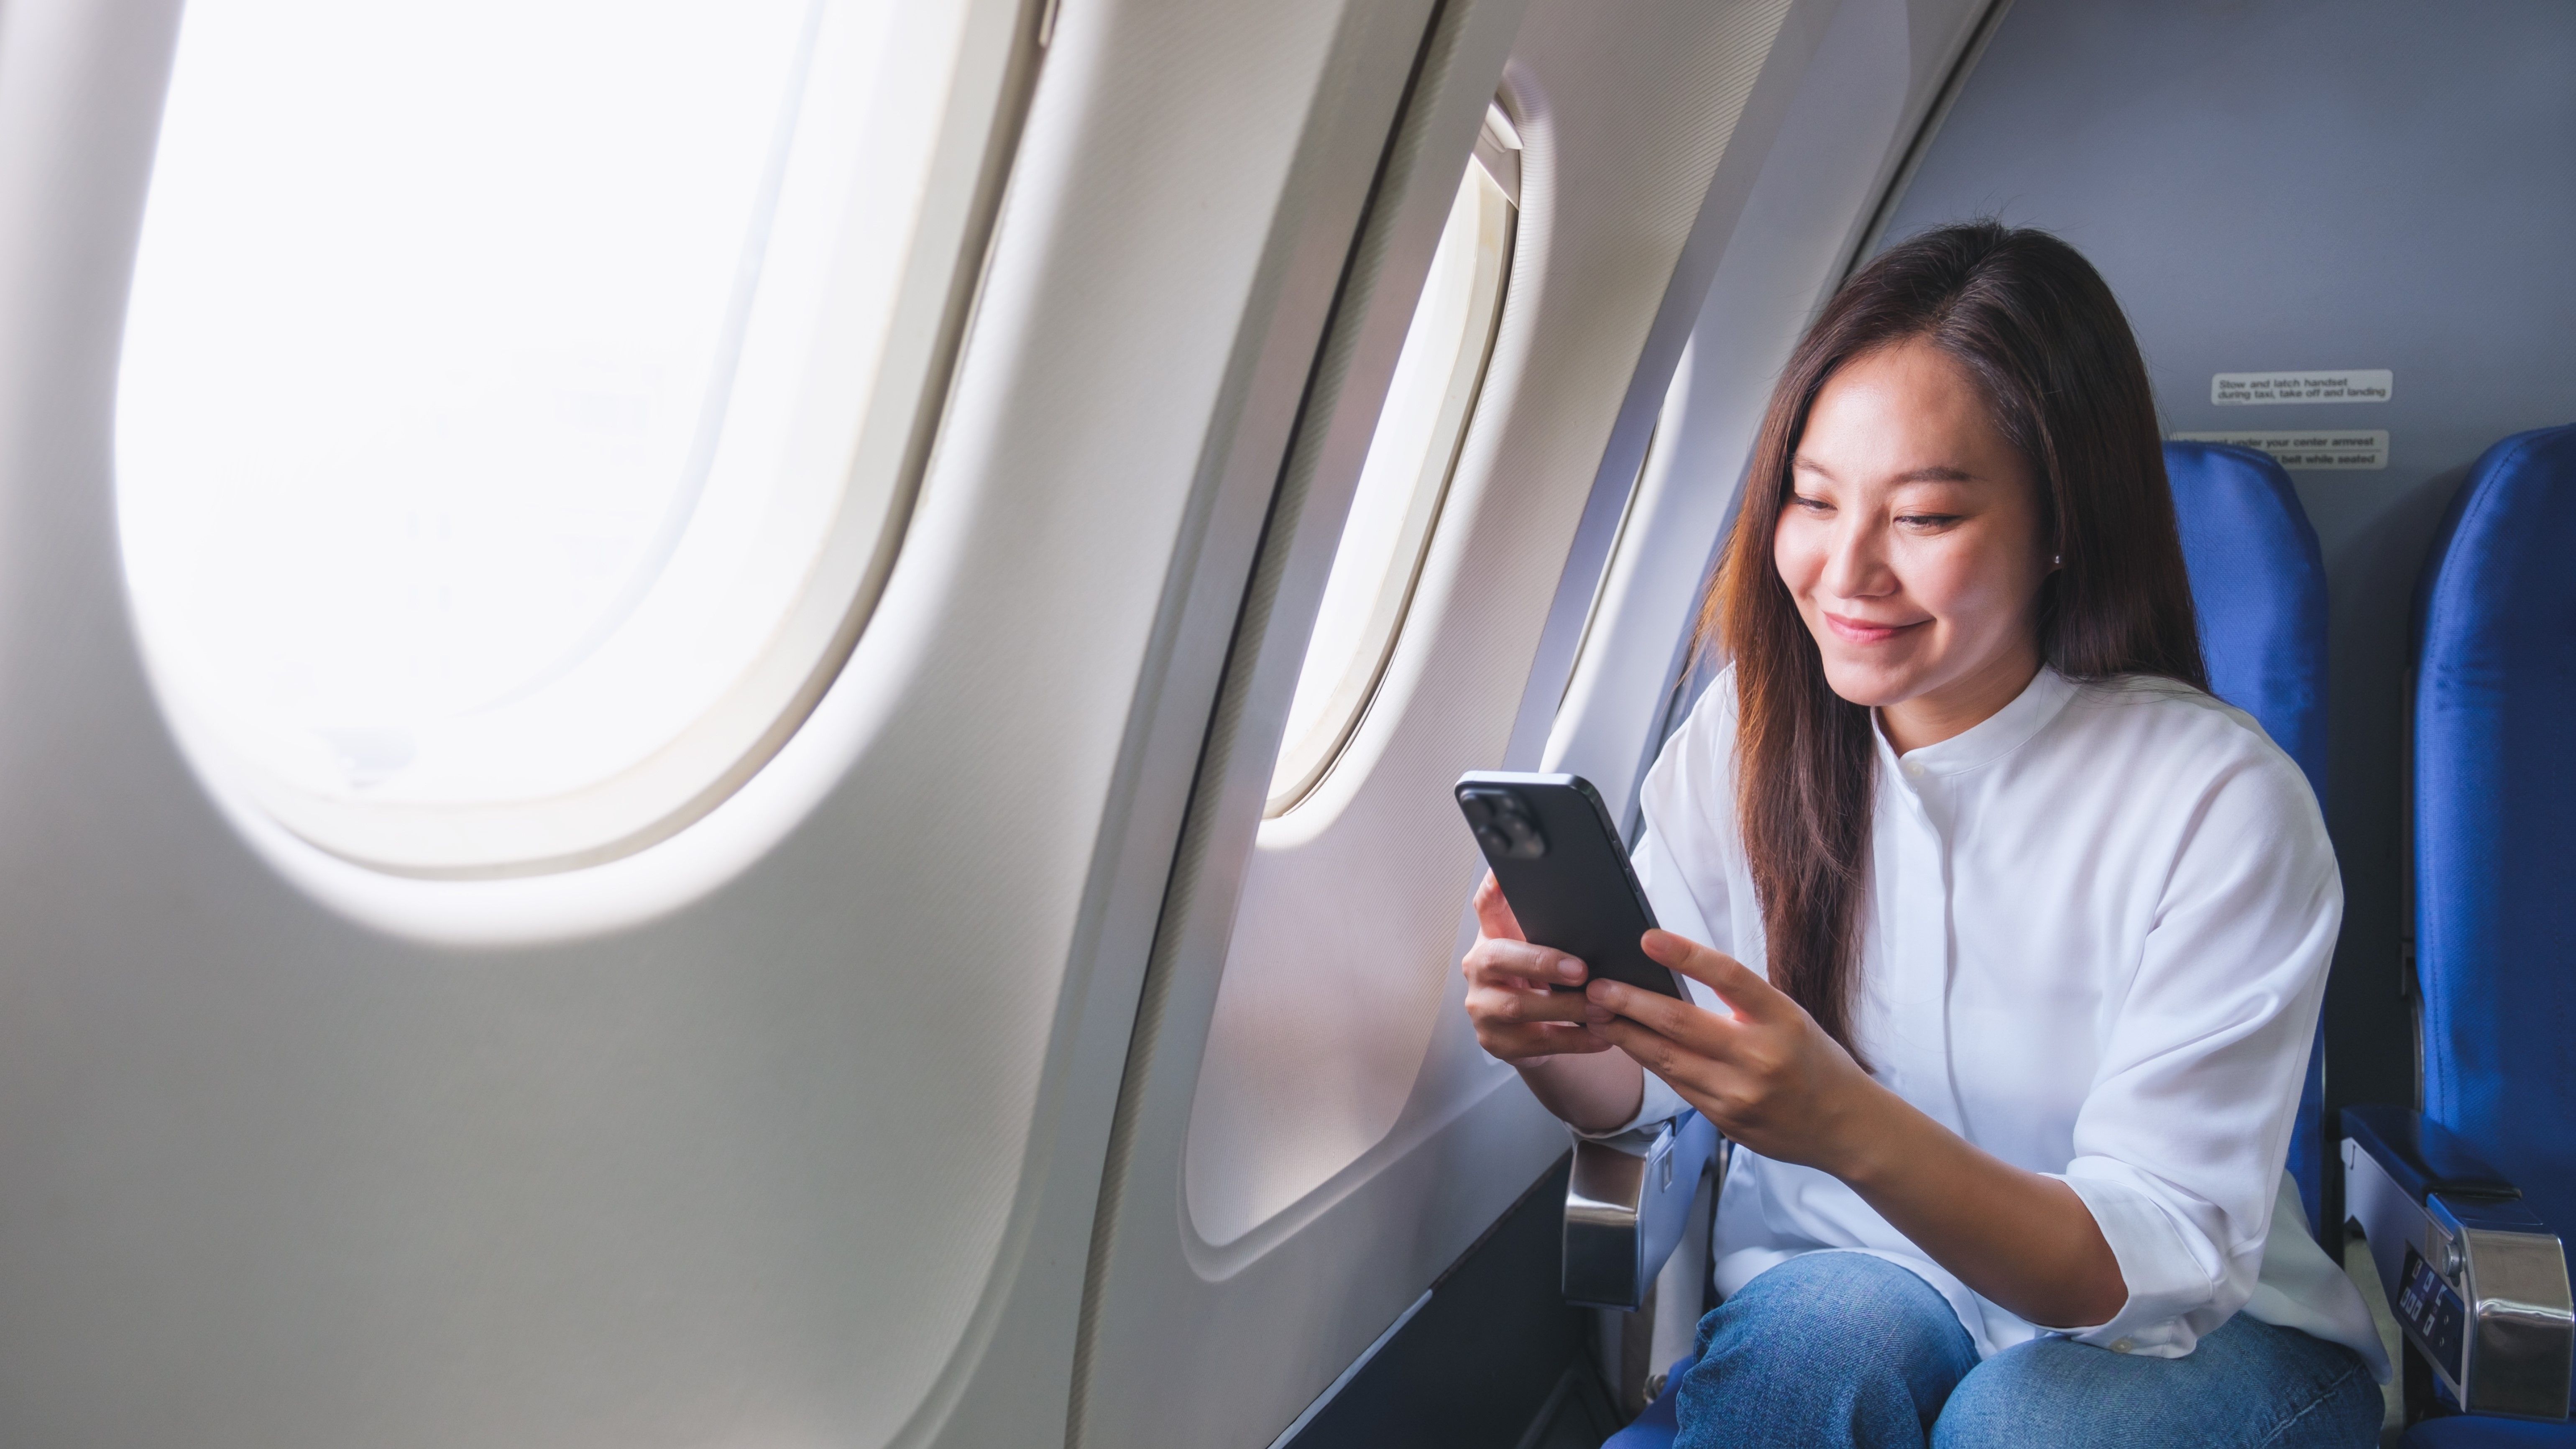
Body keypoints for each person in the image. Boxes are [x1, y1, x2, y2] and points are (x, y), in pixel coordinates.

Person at [1459, 222, 2387, 1448]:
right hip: (1859, 1291)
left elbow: (2153, 1264)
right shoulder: (1748, 732)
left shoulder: (2219, 802)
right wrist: (1560, 1039)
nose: (1846, 571)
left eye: (1926, 517)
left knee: (2022, 1423)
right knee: (1806, 1353)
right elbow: (1647, 1090)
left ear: (2061, 524)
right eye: (1812, 498)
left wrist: (1843, 1121)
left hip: (2197, 1341)